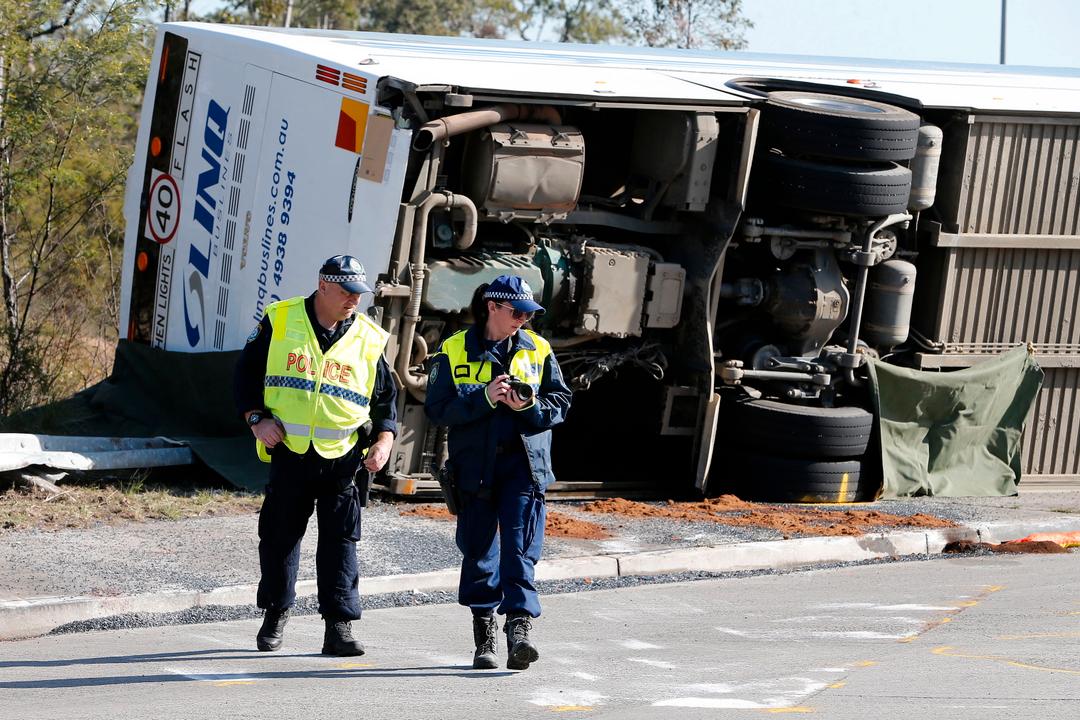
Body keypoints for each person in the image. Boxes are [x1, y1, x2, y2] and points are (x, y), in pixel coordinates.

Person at [233, 254, 397, 656]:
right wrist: (257, 418)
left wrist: (383, 442)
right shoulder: (281, 319)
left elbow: (386, 403)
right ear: (323, 286)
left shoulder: (369, 337)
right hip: (290, 451)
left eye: (359, 293)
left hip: (344, 459)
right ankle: (275, 616)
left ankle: (338, 628)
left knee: (341, 543)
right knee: (279, 539)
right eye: (346, 292)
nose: (353, 300)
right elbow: (245, 375)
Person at [424, 274, 572, 671]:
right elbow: (437, 410)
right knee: (478, 550)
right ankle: (484, 633)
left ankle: (519, 631)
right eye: (517, 311)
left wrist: (528, 407)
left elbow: (561, 401)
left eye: (529, 313)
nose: (523, 319)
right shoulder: (454, 349)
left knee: (520, 547)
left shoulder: (538, 348)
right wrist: (484, 398)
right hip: (475, 467)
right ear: (492, 307)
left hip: (524, 465)